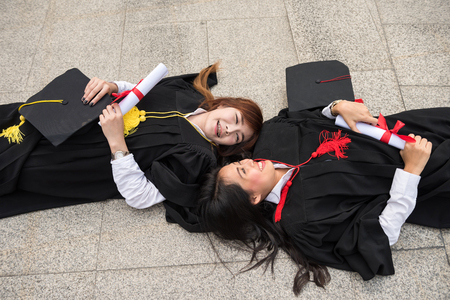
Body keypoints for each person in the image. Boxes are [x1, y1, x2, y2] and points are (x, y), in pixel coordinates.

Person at [198, 99, 450, 294]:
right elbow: (380, 233)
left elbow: (313, 116)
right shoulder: (302, 221)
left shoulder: (273, 134)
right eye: (243, 171)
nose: (251, 162)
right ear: (253, 198)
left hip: (412, 128)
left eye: (241, 163)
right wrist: (412, 171)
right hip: (432, 176)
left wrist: (338, 107)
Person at [0, 62, 263, 232]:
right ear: (225, 104)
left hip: (73, 161)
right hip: (72, 118)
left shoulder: (196, 158)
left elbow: (141, 197)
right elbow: (140, 92)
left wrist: (116, 141)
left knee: (10, 164)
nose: (229, 130)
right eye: (236, 120)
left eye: (237, 137)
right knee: (14, 122)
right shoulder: (185, 95)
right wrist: (112, 87)